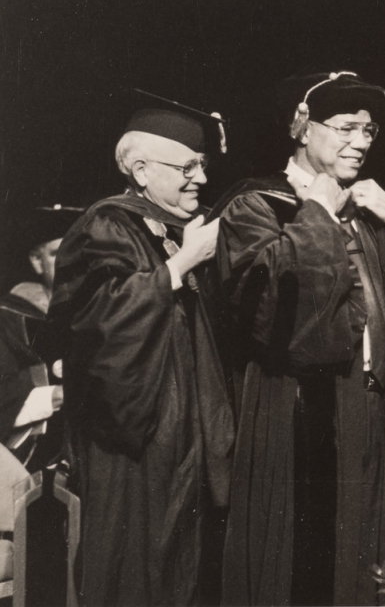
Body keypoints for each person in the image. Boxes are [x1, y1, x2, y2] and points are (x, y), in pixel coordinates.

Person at [213, 71, 385, 606]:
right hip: (299, 411)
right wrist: (317, 212)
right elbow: (273, 312)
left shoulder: (370, 214)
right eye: (346, 127)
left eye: (369, 131)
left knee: (373, 560)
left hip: (375, 413)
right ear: (303, 127)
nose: (361, 142)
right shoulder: (256, 206)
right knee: (306, 564)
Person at [48, 95, 234, 606]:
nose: (199, 177)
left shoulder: (180, 229)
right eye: (187, 166)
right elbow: (93, 328)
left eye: (203, 165)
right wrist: (179, 267)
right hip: (133, 445)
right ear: (141, 170)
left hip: (188, 439)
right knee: (135, 568)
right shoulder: (106, 224)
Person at [0, 205, 81, 471]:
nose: (70, 262)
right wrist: (59, 394)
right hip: (32, 462)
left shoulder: (107, 312)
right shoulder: (9, 318)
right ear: (37, 261)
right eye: (58, 253)